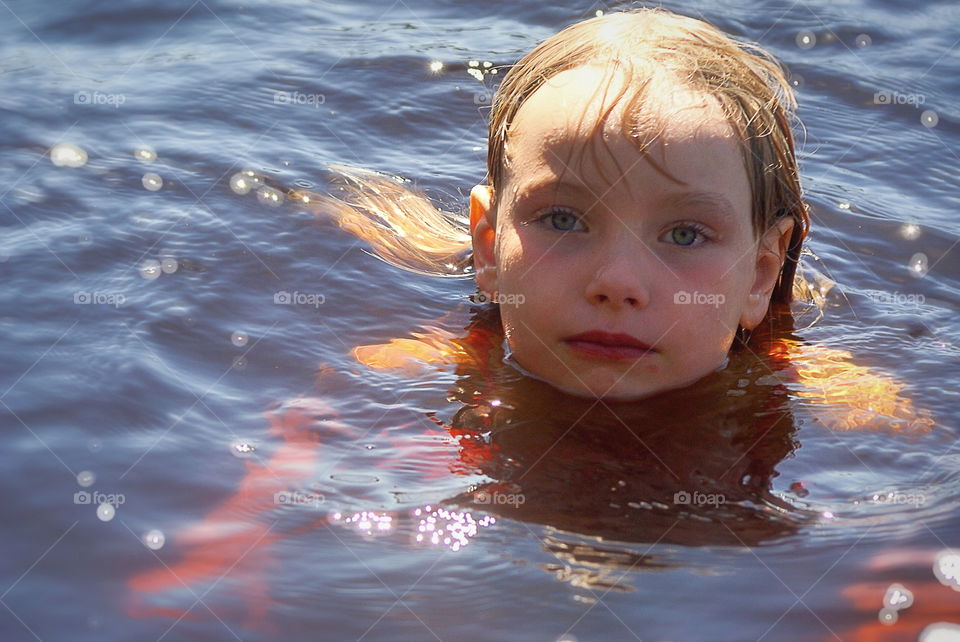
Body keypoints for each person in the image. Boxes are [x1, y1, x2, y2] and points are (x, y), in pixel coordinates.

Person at [302, 7, 809, 401]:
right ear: (492, 247)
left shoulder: (808, 383)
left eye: (685, 234)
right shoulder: (415, 369)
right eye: (563, 220)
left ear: (761, 274)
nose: (616, 285)